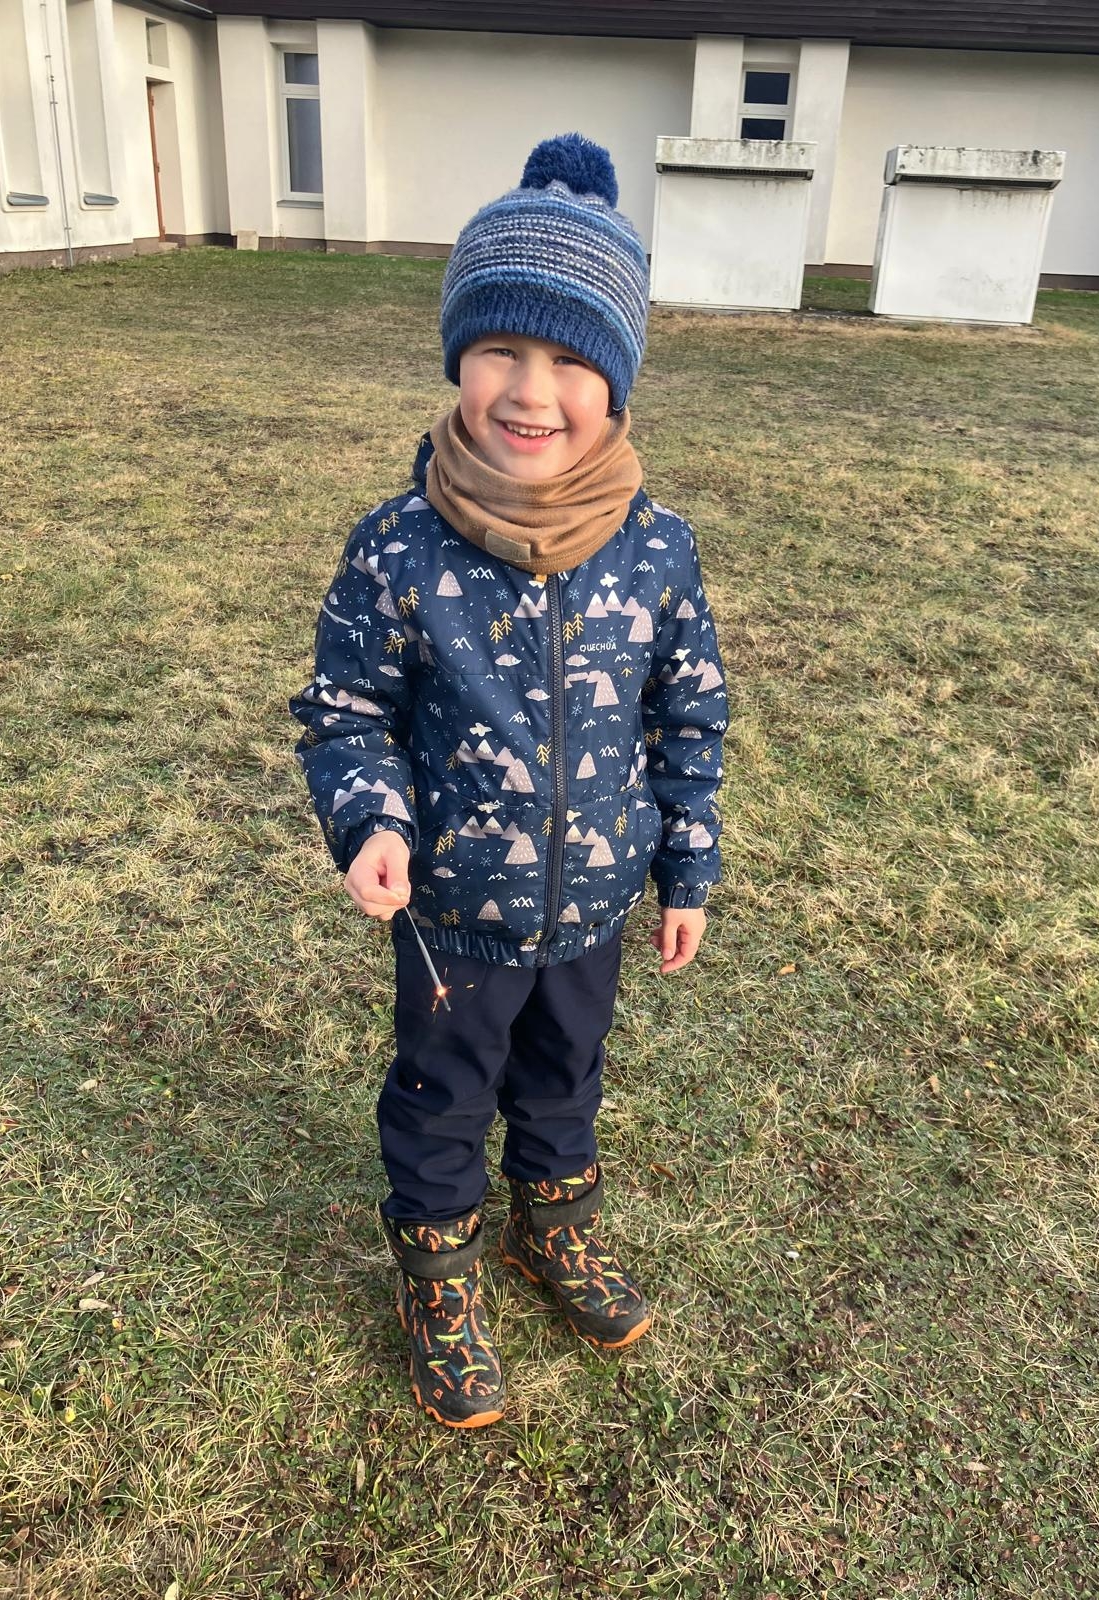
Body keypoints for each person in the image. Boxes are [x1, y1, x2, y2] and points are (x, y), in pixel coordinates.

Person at [290, 133, 729, 1428]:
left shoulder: (655, 549)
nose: (531, 392)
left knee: (565, 1076)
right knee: (443, 1093)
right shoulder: (400, 546)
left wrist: (687, 865)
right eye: (500, 351)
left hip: (592, 907)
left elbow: (689, 714)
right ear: (457, 360)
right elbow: (348, 710)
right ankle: (438, 1278)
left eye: (571, 360)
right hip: (453, 917)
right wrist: (370, 822)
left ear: (619, 382)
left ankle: (556, 1230)